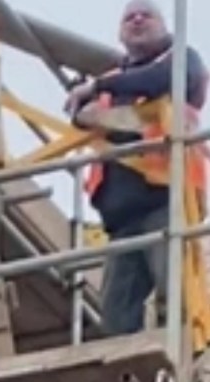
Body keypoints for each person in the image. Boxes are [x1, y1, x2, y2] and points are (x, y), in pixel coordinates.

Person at [65, 0, 208, 335]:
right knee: (115, 320)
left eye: (147, 15)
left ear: (165, 27)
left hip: (167, 202)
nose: (138, 20)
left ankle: (187, 372)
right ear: (120, 32)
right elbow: (77, 113)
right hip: (121, 219)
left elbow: (161, 80)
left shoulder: (181, 60)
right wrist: (84, 98)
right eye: (130, 17)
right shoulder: (113, 81)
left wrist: (97, 87)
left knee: (177, 299)